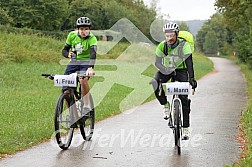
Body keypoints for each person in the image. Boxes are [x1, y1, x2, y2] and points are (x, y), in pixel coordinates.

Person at [150, 22, 197, 139]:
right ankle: (166, 105)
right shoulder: (162, 46)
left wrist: (191, 78)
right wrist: (166, 70)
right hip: (167, 69)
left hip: (181, 71)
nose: (169, 38)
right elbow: (157, 62)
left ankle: (185, 129)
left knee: (184, 99)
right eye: (167, 35)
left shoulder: (184, 45)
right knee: (155, 82)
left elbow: (189, 62)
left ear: (176, 34)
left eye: (171, 35)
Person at [61, 16, 97, 116]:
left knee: (83, 79)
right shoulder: (71, 35)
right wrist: (67, 54)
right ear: (77, 29)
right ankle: (73, 115)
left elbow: (93, 53)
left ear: (89, 29)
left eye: (86, 29)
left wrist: (90, 67)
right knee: (66, 91)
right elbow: (64, 50)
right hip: (74, 62)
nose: (83, 31)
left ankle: (86, 105)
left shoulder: (92, 38)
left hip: (86, 62)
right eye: (81, 29)